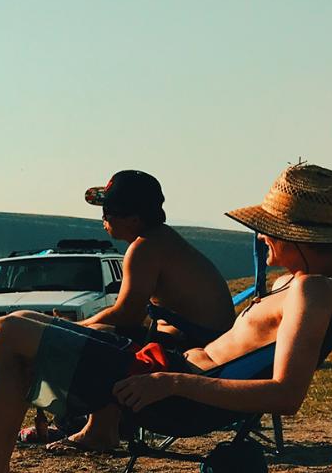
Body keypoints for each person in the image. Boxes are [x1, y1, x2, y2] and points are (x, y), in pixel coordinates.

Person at [0, 163, 332, 473]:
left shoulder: (312, 291)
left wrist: (171, 383)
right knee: (19, 322)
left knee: (5, 332)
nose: (260, 237)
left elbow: (286, 395)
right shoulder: (308, 282)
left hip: (176, 394)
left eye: (268, 230)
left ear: (295, 234)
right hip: (167, 370)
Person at [49, 170, 236, 452]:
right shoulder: (162, 240)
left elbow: (127, 315)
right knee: (104, 334)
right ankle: (96, 423)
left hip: (200, 344)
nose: (103, 219)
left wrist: (78, 327)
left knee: (103, 341)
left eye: (108, 212)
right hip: (210, 339)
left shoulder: (144, 249)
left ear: (133, 219)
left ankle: (100, 429)